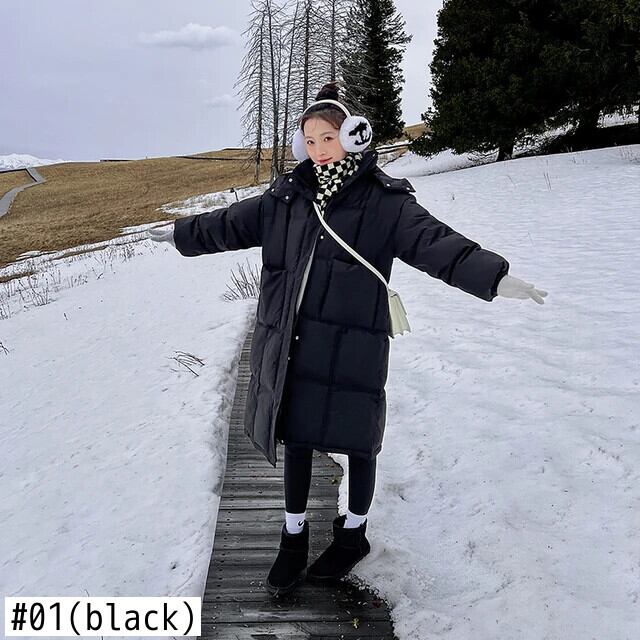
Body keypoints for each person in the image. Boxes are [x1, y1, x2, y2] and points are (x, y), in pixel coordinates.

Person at [148, 81, 547, 597]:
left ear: (355, 136)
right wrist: (182, 232)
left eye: (328, 138)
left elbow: (436, 243)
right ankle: (293, 537)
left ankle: (353, 535)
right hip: (293, 340)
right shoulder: (286, 198)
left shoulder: (385, 202)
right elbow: (228, 224)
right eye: (310, 140)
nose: (318, 150)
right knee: (297, 435)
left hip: (356, 341)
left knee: (359, 440)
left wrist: (494, 277)